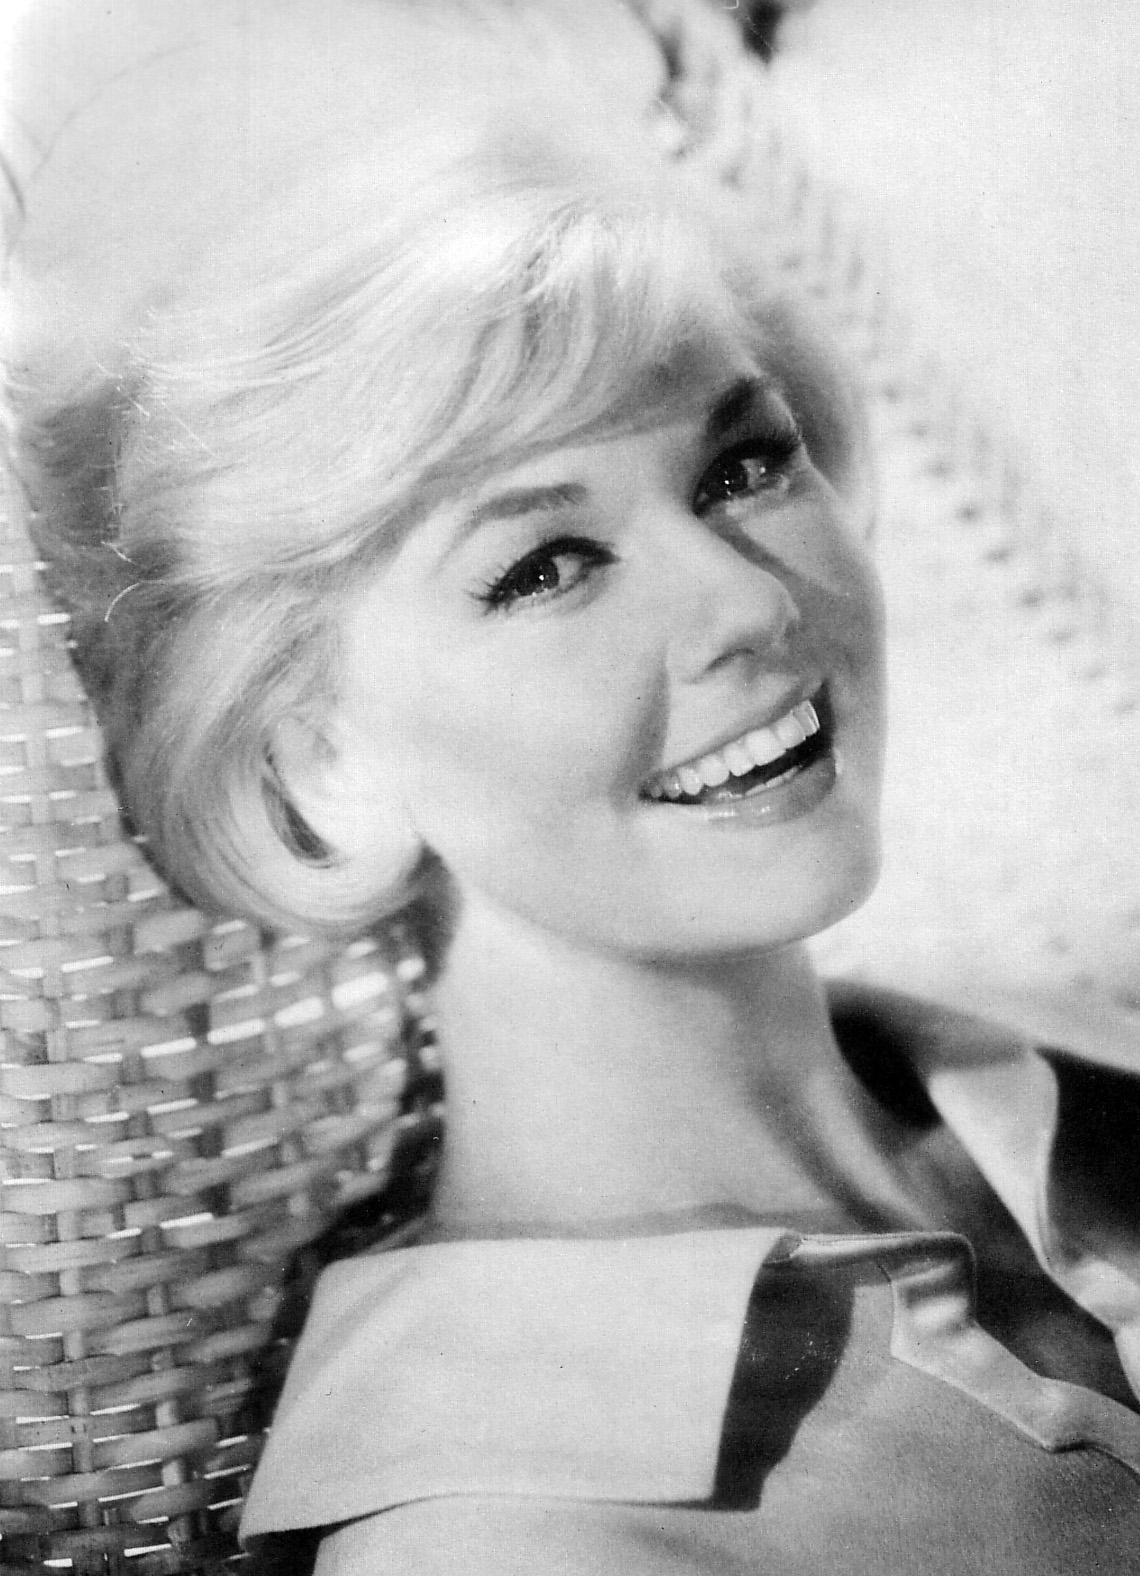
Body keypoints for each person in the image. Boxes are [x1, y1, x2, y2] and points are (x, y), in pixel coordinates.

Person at [6, 4, 1139, 1573]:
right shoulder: (515, 1540)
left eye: (742, 465)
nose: (750, 603)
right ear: (312, 758)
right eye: (545, 565)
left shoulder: (1062, 1081)